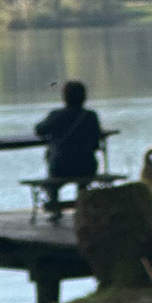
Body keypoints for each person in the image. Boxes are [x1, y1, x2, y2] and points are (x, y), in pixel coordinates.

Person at [34, 80, 104, 222]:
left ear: (65, 97)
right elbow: (97, 143)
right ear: (84, 97)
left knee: (51, 183)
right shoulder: (91, 116)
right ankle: (82, 207)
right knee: (83, 180)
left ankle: (55, 209)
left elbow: (39, 130)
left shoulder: (56, 115)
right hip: (87, 166)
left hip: (61, 166)